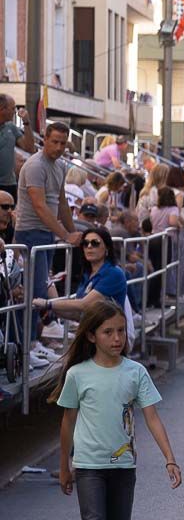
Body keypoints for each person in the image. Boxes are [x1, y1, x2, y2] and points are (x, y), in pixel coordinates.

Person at [53, 301, 181, 520]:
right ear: (92, 336)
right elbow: (67, 422)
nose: (117, 338)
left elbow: (151, 416)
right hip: (88, 467)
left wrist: (169, 456)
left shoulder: (135, 372)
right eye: (108, 332)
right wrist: (64, 466)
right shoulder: (78, 374)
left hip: (124, 468)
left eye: (121, 331)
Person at [16, 122, 80, 347]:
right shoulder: (35, 165)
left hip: (47, 234)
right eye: (55, 142)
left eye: (63, 143)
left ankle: (34, 341)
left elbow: (61, 202)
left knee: (40, 288)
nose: (59, 147)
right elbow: (40, 206)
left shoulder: (61, 166)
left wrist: (73, 233)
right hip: (30, 233)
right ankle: (29, 344)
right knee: (34, 291)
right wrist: (65, 234)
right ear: (45, 139)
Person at [33, 228, 128, 322]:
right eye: (85, 244)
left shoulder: (113, 273)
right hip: (91, 332)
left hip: (109, 333)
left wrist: (48, 304)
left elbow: (84, 305)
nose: (89, 246)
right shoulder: (87, 274)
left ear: (107, 247)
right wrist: (45, 298)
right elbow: (76, 314)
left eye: (95, 243)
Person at [0, 94, 35, 201]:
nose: (15, 112)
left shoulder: (11, 127)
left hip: (9, 184)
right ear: (2, 109)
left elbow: (29, 148)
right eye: (12, 108)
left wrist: (26, 122)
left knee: (9, 215)